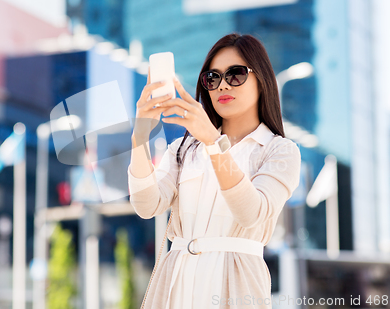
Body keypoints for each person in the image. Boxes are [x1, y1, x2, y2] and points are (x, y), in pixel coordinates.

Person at [127, 33, 302, 309]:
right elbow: (146, 205)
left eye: (235, 75)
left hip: (235, 287)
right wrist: (140, 136)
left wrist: (212, 142)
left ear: (262, 81)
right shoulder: (184, 149)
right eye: (213, 78)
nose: (222, 86)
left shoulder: (279, 151)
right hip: (176, 287)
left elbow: (251, 213)